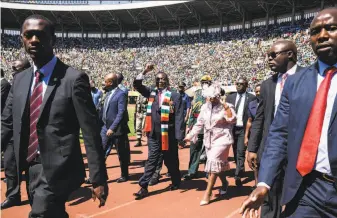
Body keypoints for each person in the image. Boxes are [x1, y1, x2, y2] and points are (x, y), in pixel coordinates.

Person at [1, 14, 108, 217]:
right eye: (28, 35)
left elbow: (90, 131)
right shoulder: (20, 80)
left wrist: (98, 178)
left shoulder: (73, 79)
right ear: (22, 39)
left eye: (40, 35)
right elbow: (6, 123)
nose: (34, 40)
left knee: (41, 213)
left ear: (53, 39)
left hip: (58, 167)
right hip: (28, 166)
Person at [240, 8, 337, 218]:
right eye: (315, 31)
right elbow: (279, 134)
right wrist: (263, 182)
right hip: (310, 188)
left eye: (331, 28)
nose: (322, 36)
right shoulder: (295, 83)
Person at [246, 40, 303, 218]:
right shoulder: (266, 85)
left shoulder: (308, 77)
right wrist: (252, 148)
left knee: (296, 198)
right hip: (270, 149)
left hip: (298, 151)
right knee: (269, 197)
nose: (269, 59)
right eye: (267, 56)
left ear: (290, 55)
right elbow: (260, 119)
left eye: (273, 55)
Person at [132, 63, 184, 200]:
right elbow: (137, 85)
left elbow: (179, 116)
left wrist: (179, 136)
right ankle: (143, 186)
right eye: (158, 79)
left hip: (169, 134)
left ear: (167, 81)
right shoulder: (151, 92)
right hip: (153, 134)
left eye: (163, 79)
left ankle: (176, 180)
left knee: (171, 160)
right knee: (151, 160)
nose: (160, 81)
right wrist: (144, 71)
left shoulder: (175, 95)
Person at [184, 83, 236, 206]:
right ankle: (224, 182)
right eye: (208, 97)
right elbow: (199, 123)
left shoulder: (227, 106)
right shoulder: (204, 107)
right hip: (209, 140)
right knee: (218, 164)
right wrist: (190, 135)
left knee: (213, 161)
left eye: (213, 97)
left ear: (218, 95)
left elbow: (232, 119)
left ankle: (208, 193)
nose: (210, 99)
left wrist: (225, 106)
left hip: (222, 139)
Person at [1, 59, 31, 209]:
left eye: (16, 68)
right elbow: (6, 117)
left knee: (32, 169)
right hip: (13, 136)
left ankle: (34, 197)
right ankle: (13, 196)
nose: (12, 71)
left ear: (25, 69)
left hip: (31, 137)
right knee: (10, 166)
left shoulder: (35, 86)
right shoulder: (14, 86)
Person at [225, 77, 256, 186]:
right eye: (237, 84)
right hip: (232, 128)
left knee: (240, 151)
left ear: (246, 85)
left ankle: (238, 174)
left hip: (244, 129)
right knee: (235, 151)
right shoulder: (230, 97)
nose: (238, 86)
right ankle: (240, 168)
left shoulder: (252, 98)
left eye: (241, 84)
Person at [99, 73, 130, 183]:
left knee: (122, 153)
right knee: (100, 152)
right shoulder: (107, 94)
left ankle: (124, 175)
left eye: (105, 81)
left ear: (111, 82)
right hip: (104, 128)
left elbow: (121, 112)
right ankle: (101, 175)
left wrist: (112, 128)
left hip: (116, 129)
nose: (104, 82)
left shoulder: (121, 94)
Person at [182, 75, 211, 181]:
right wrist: (190, 125)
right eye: (203, 82)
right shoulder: (197, 93)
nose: (205, 84)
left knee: (208, 149)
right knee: (194, 149)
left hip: (208, 125)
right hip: (196, 123)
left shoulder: (214, 94)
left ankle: (208, 171)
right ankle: (192, 171)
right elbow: (193, 110)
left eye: (207, 82)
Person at [177, 81, 191, 149]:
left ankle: (182, 142)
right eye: (179, 87)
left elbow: (188, 107)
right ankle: (177, 141)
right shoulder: (176, 95)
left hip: (183, 115)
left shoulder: (186, 96)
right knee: (177, 128)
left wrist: (187, 116)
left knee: (182, 129)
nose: (180, 88)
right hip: (176, 115)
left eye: (182, 87)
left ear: (184, 88)